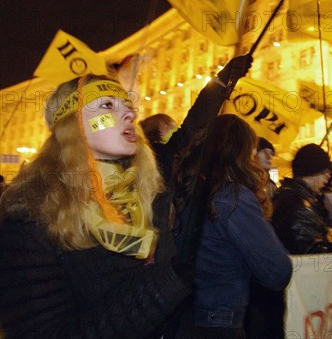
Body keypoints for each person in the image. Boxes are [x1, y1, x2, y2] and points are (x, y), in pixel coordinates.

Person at [0, 74, 190, 337]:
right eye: (107, 106)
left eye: (126, 105)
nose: (130, 113)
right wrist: (161, 287)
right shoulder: (30, 217)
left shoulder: (148, 198)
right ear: (73, 124)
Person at [172, 114, 292, 338]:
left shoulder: (184, 189)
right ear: (242, 153)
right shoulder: (232, 197)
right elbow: (277, 272)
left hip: (183, 315)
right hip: (219, 322)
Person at [141, 55, 252, 181]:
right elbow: (193, 127)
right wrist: (221, 81)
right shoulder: (159, 161)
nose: (176, 128)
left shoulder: (174, 162)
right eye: (169, 125)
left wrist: (222, 81)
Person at [271, 144, 332, 255]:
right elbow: (315, 254)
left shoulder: (300, 197)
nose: (328, 175)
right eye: (324, 171)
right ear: (311, 170)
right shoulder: (299, 205)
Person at [255, 137, 278, 202]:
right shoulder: (247, 182)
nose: (269, 157)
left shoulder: (271, 185)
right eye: (263, 151)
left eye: (271, 153)